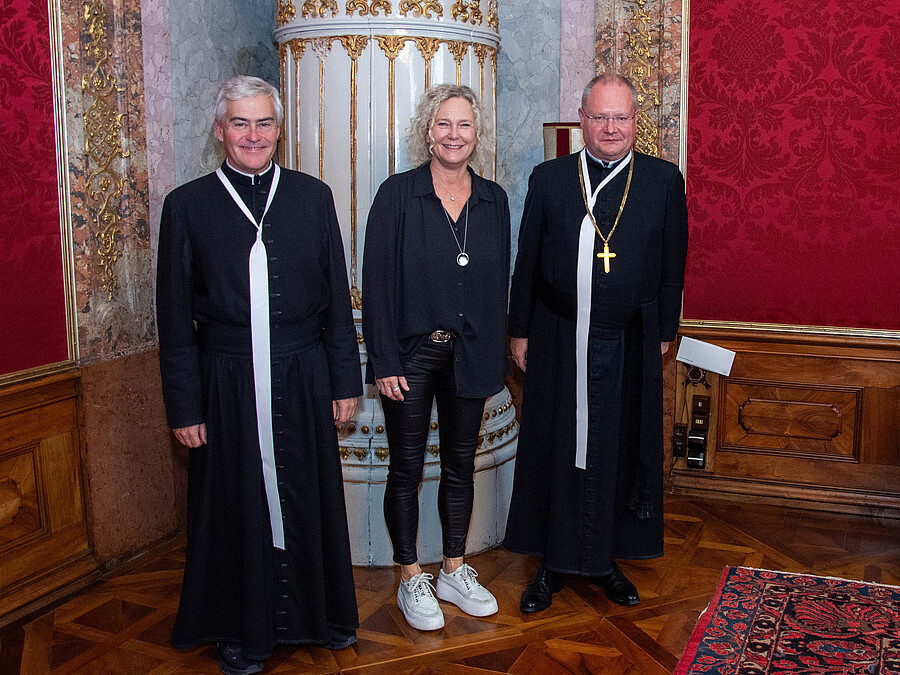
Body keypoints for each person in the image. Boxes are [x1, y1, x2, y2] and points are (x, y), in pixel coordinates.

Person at [156, 76, 362, 675]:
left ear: (279, 129)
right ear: (220, 130)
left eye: (264, 123)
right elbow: (173, 320)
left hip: (302, 375)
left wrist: (344, 382)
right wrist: (185, 406)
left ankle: (317, 617)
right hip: (225, 383)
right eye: (240, 124)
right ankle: (241, 629)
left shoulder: (312, 197)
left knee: (307, 495)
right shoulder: (188, 206)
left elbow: (333, 298)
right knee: (235, 503)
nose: (253, 135)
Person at [504, 74, 689, 612]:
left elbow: (672, 266)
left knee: (617, 444)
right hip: (558, 337)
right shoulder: (551, 178)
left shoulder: (661, 179)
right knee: (556, 443)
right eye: (600, 117)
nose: (610, 128)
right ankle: (552, 563)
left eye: (621, 118)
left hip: (628, 341)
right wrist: (518, 330)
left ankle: (606, 559)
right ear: (581, 119)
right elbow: (527, 263)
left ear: (636, 122)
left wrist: (663, 332)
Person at [362, 84, 510, 631]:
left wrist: (495, 354)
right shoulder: (398, 195)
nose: (454, 135)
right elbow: (375, 282)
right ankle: (409, 575)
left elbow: (498, 282)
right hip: (411, 355)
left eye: (464, 125)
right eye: (444, 124)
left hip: (471, 355)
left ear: (477, 134)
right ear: (428, 132)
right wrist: (384, 361)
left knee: (458, 467)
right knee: (405, 470)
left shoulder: (494, 199)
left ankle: (453, 567)